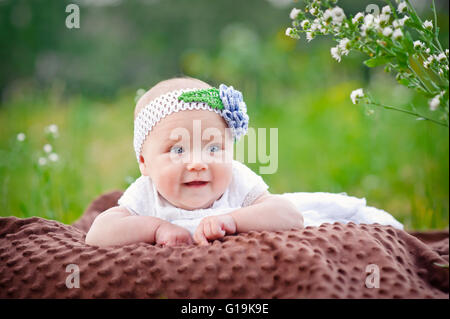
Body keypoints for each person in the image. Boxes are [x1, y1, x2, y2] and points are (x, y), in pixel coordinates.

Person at [85, 77, 304, 247]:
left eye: (214, 148)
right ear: (144, 162)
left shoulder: (236, 180)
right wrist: (156, 229)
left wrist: (233, 220)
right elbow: (98, 234)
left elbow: (289, 215)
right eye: (178, 149)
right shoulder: (148, 194)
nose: (198, 164)